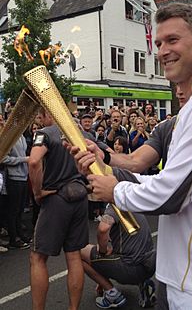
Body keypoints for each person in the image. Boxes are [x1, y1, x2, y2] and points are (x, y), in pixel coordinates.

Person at [72, 3, 192, 309]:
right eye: (159, 43)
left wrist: (115, 190)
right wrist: (104, 160)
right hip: (188, 281)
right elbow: (160, 176)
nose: (162, 51)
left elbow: (173, 193)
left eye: (172, 40)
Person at [28, 108, 89, 310]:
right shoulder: (79, 131)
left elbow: (34, 161)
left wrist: (37, 192)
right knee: (73, 255)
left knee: (37, 257)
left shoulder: (45, 132)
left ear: (48, 113)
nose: (39, 120)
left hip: (57, 197)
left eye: (40, 116)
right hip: (80, 196)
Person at [81, 203, 156, 308]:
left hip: (131, 268)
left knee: (78, 254)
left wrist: (102, 253)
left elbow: (103, 229)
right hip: (149, 266)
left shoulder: (114, 207)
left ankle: (112, 294)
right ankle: (143, 283)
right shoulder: (132, 201)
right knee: (118, 250)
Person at [2, 135, 31, 249]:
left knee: (19, 210)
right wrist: (24, 159)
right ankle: (14, 238)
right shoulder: (9, 137)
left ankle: (20, 234)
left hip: (23, 176)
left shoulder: (22, 137)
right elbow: (3, 158)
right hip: (13, 177)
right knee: (13, 210)